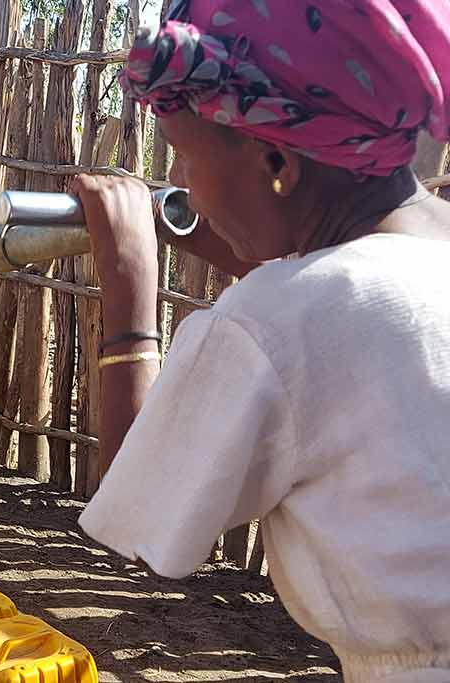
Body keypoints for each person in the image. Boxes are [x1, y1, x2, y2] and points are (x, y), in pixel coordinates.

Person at [74, 1, 450, 680]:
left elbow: (138, 512)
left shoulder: (271, 320)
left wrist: (129, 283)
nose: (182, 183)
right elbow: (343, 286)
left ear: (276, 158)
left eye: (187, 159)